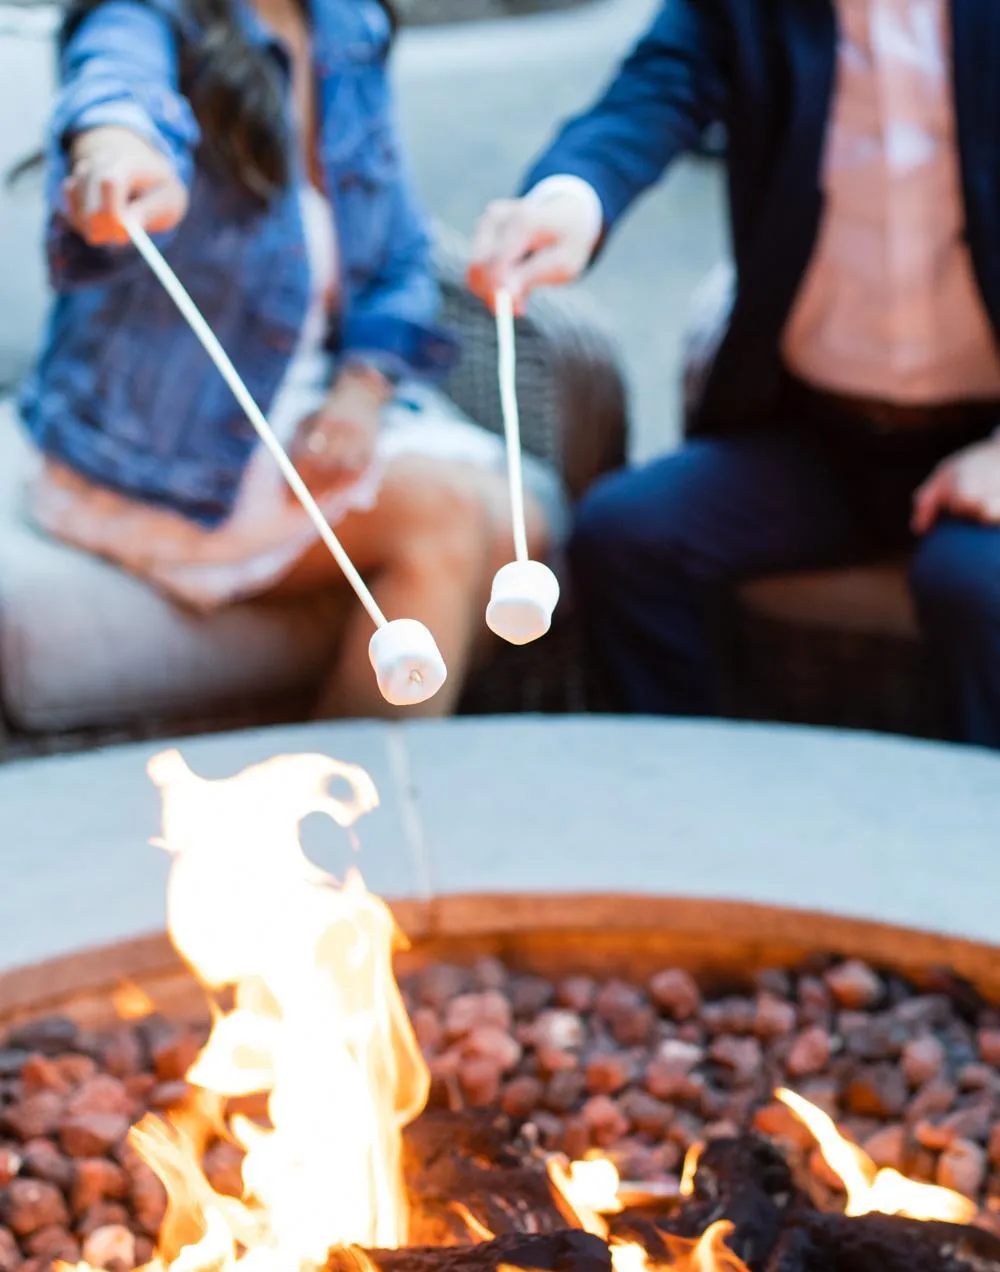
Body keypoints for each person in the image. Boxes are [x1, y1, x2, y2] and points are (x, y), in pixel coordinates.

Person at [469, 0, 1000, 748]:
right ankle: (694, 800)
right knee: (625, 538)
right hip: (816, 435)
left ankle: (966, 840)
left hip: (982, 446)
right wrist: (571, 200)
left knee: (975, 590)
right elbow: (651, 94)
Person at [18, 0, 564, 719]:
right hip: (163, 442)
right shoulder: (147, 16)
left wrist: (361, 389)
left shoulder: (348, 26)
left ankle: (330, 762)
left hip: (306, 390)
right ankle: (362, 812)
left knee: (520, 526)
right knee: (451, 517)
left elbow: (400, 251)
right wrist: (114, 147)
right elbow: (114, 86)